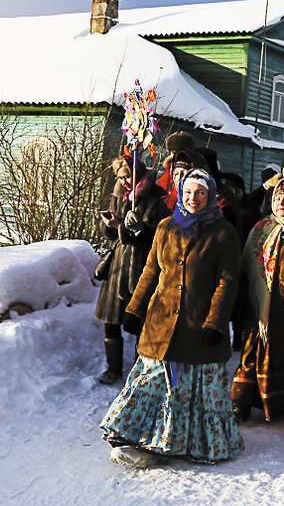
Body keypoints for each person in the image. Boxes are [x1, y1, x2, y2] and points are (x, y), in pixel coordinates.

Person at [100, 169, 243, 468]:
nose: (194, 198)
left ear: (211, 196)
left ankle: (186, 444)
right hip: (161, 321)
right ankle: (137, 439)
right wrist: (133, 309)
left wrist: (215, 323)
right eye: (188, 192)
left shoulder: (223, 232)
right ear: (180, 193)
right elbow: (151, 271)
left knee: (191, 389)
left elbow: (227, 282)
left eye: (201, 193)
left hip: (198, 326)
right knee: (151, 382)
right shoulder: (166, 226)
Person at [233, 179, 284, 422]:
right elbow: (246, 262)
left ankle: (281, 405)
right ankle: (241, 402)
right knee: (251, 352)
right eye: (277, 198)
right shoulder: (261, 227)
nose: (282, 202)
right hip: (258, 306)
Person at [93, 154, 170, 384]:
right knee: (111, 320)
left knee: (140, 320)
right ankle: (113, 368)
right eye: (120, 177)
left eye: (127, 176)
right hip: (117, 266)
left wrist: (135, 230)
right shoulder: (118, 196)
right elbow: (108, 234)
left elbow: (159, 235)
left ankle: (139, 370)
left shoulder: (156, 198)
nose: (124, 181)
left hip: (140, 265)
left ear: (138, 173)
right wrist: (110, 226)